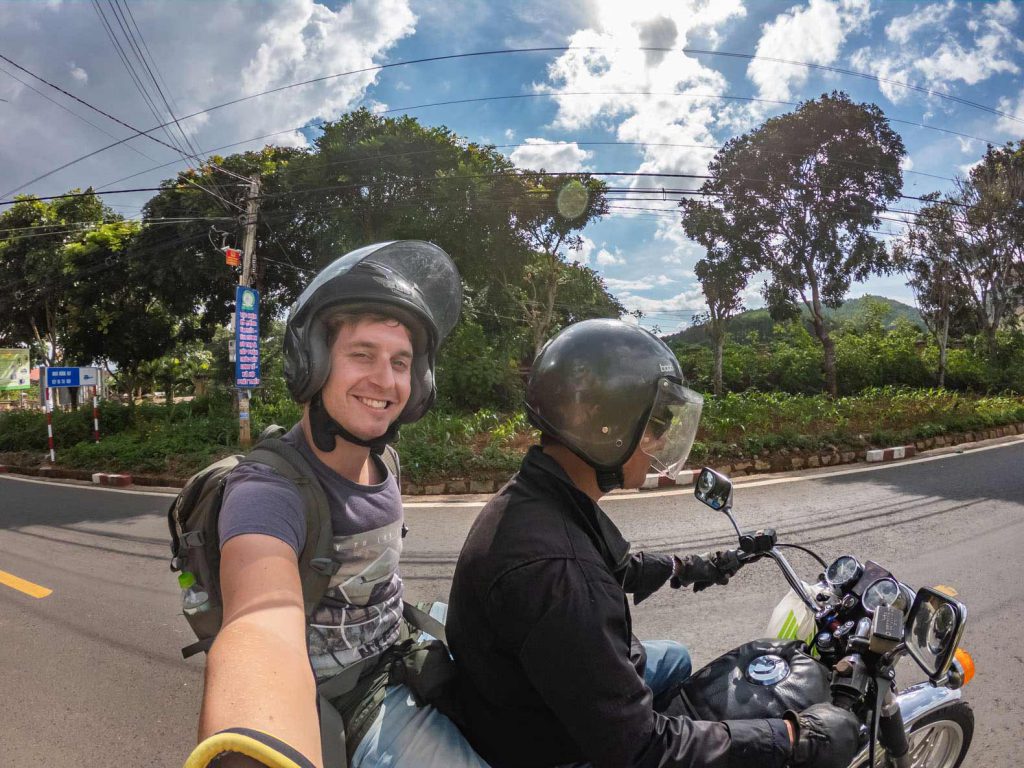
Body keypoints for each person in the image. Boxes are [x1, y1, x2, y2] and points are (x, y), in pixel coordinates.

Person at [446, 318, 862, 768]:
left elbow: (617, 565)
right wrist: (791, 736)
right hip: (551, 747)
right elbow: (642, 747)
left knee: (677, 657)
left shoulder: (539, 496)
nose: (662, 440)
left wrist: (693, 567)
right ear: (607, 427)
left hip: (517, 700)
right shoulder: (561, 575)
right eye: (654, 424)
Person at [191, 240, 483, 768]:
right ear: (315, 362)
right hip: (346, 695)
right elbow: (260, 623)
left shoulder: (386, 460)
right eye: (362, 354)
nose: (386, 380)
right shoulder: (267, 492)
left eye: (401, 362)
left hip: (399, 646)